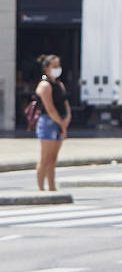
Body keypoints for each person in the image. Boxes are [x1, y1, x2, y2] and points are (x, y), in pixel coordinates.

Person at [33, 54, 71, 192]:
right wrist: (61, 124)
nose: (57, 69)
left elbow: (65, 103)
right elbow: (49, 108)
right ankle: (40, 188)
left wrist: (67, 118)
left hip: (60, 120)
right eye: (54, 66)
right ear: (46, 68)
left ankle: (51, 187)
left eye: (58, 66)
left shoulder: (59, 84)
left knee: (53, 159)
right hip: (49, 122)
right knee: (45, 157)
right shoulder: (44, 84)